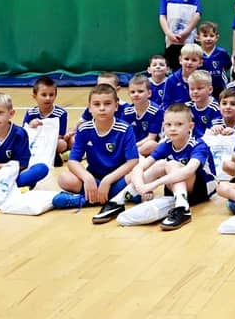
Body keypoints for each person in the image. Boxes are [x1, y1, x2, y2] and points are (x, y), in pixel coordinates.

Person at [52, 85, 139, 223]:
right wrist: (87, 177)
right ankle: (113, 198)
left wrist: (108, 180)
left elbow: (133, 161)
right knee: (64, 178)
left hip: (118, 179)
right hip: (95, 179)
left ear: (116, 106)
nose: (102, 108)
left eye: (107, 103)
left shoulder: (125, 128)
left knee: (136, 178)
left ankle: (84, 200)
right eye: (97, 104)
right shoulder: (84, 129)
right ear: (89, 108)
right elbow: (73, 161)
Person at [129, 104, 216, 230]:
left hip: (202, 188)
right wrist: (141, 187)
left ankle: (183, 209)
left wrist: (153, 185)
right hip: (177, 187)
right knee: (160, 164)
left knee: (172, 164)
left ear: (190, 126)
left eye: (179, 124)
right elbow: (139, 167)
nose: (173, 129)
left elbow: (188, 171)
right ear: (163, 126)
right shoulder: (166, 144)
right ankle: (118, 201)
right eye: (168, 125)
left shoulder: (198, 145)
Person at [159, 0, 201, 70]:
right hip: (171, 39)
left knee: (189, 64)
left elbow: (197, 14)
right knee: (173, 65)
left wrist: (186, 32)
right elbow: (162, 16)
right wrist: (169, 34)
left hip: (188, 38)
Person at [22, 75, 69, 164]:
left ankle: (54, 155)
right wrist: (31, 126)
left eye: (51, 95)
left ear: (55, 96)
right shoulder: (30, 112)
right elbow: (25, 133)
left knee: (62, 144)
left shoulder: (61, 113)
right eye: (44, 95)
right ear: (35, 96)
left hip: (52, 142)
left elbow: (60, 135)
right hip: (36, 141)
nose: (48, 98)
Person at [122, 73, 163, 156]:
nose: (136, 94)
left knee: (152, 145)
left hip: (146, 146)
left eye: (140, 91)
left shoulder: (156, 111)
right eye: (132, 92)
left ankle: (130, 156)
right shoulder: (127, 111)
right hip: (133, 145)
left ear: (149, 93)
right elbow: (123, 134)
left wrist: (132, 147)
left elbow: (151, 137)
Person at [196, 21, 230, 96]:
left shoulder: (222, 53)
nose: (208, 38)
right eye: (205, 36)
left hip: (220, 89)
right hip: (202, 89)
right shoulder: (197, 54)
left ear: (216, 37)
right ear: (198, 37)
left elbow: (227, 67)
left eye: (211, 36)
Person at [186, 69, 221, 140]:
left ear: (210, 89)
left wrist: (216, 128)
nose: (195, 92)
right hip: (190, 141)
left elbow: (217, 128)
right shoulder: (187, 107)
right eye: (192, 89)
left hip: (209, 141)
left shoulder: (215, 108)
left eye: (199, 88)